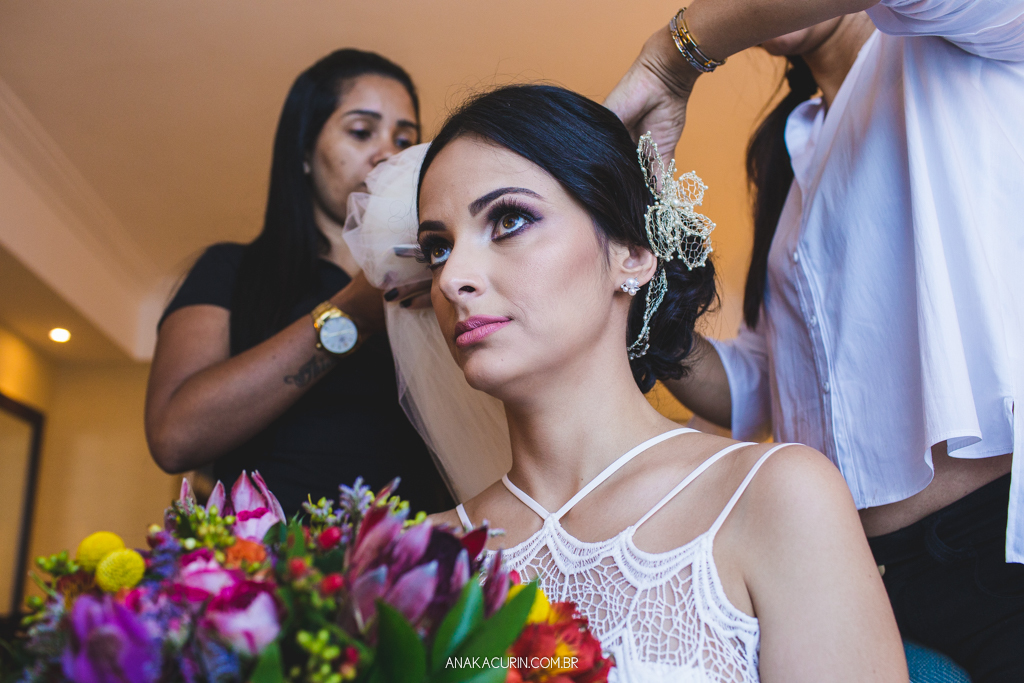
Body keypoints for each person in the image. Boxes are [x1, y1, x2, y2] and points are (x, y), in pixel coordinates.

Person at [419, 84, 906, 682]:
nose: (453, 280)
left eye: (510, 220)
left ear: (631, 252)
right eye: (437, 249)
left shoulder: (773, 497)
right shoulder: (420, 558)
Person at [606, 1, 1024, 679]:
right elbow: (757, 385)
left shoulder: (981, 32)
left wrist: (672, 56)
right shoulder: (788, 153)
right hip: (853, 575)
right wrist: (638, 301)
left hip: (995, 552)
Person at [145, 49, 452, 517]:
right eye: (361, 131)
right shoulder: (231, 270)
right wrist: (352, 313)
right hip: (262, 569)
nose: (387, 151)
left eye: (405, 138)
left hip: (405, 566)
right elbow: (174, 438)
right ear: (305, 151)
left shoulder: (442, 278)